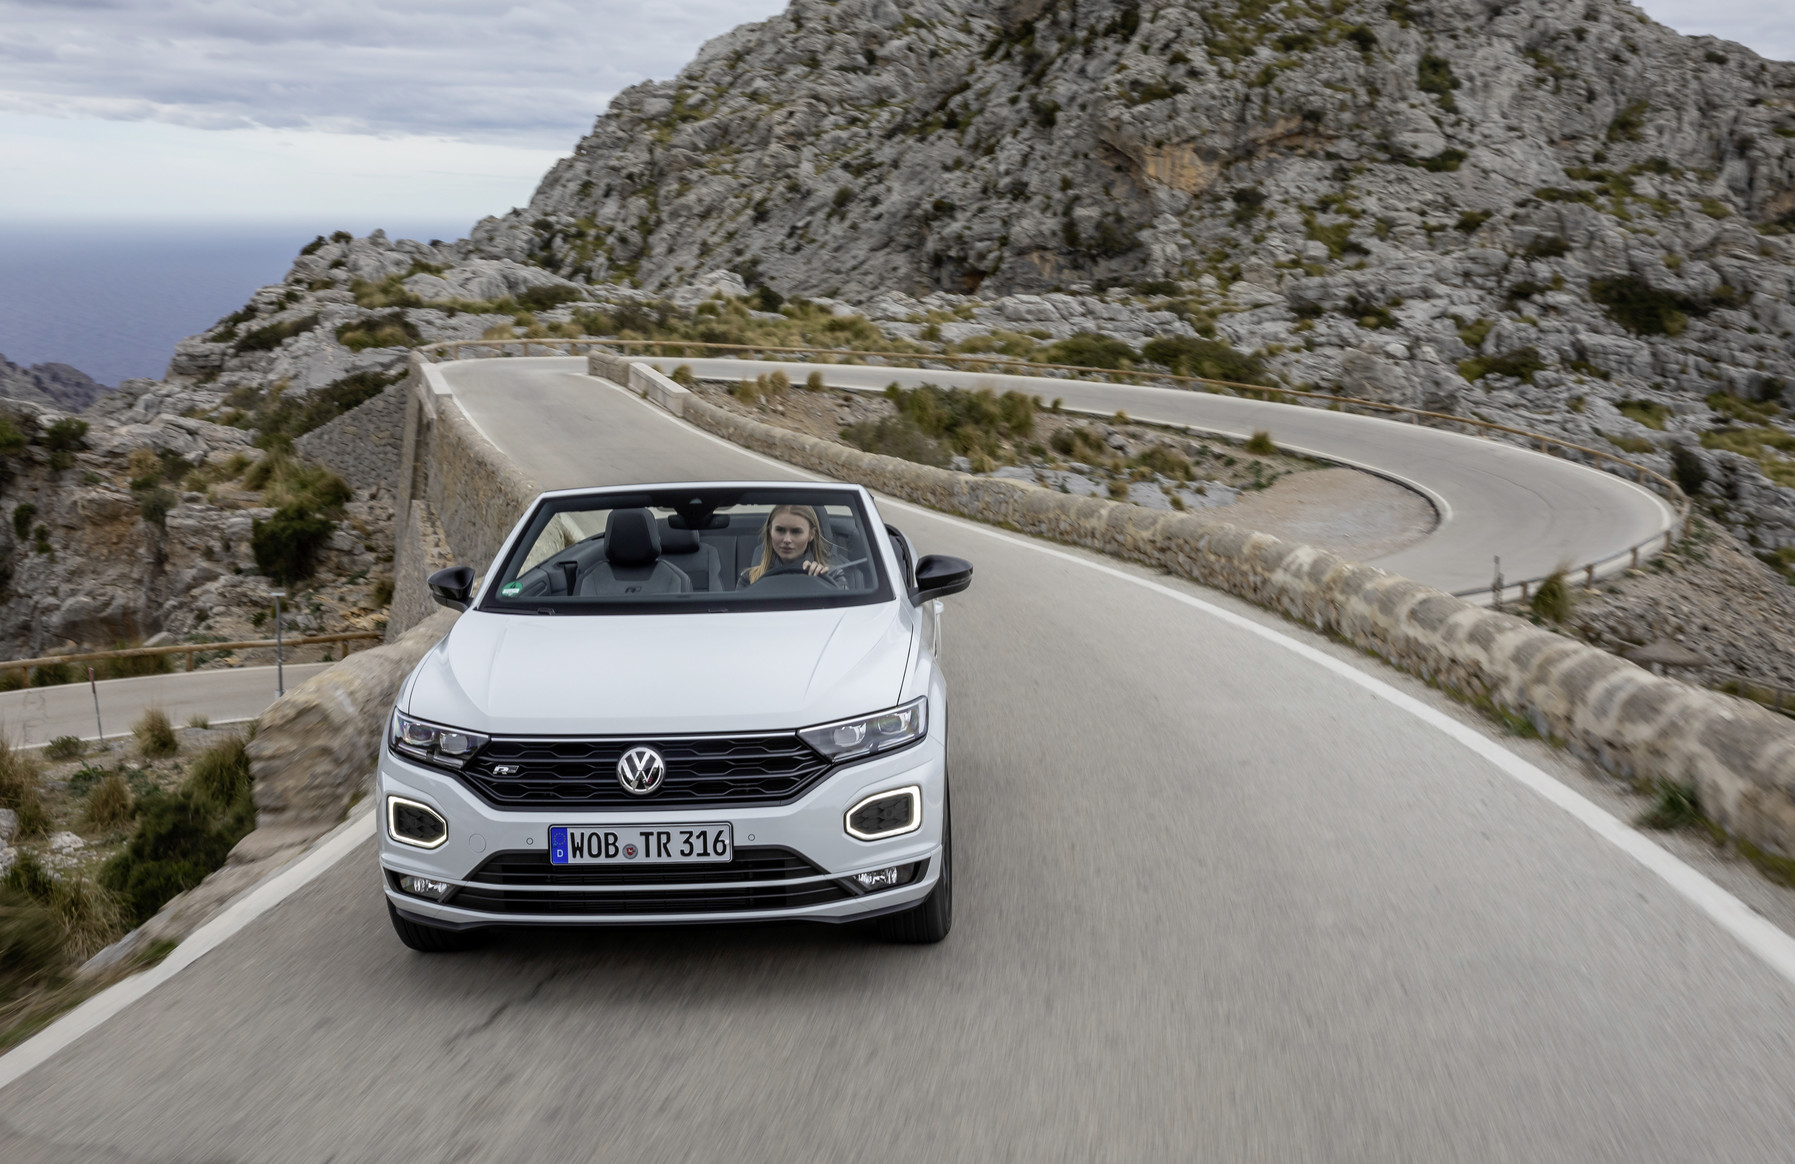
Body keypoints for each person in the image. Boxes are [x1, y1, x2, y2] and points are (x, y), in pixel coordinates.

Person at [739, 504, 844, 589]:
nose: (787, 540)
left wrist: (822, 581)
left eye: (796, 532)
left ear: (811, 534)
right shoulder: (749, 579)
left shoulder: (832, 577)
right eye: (780, 530)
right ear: (770, 531)